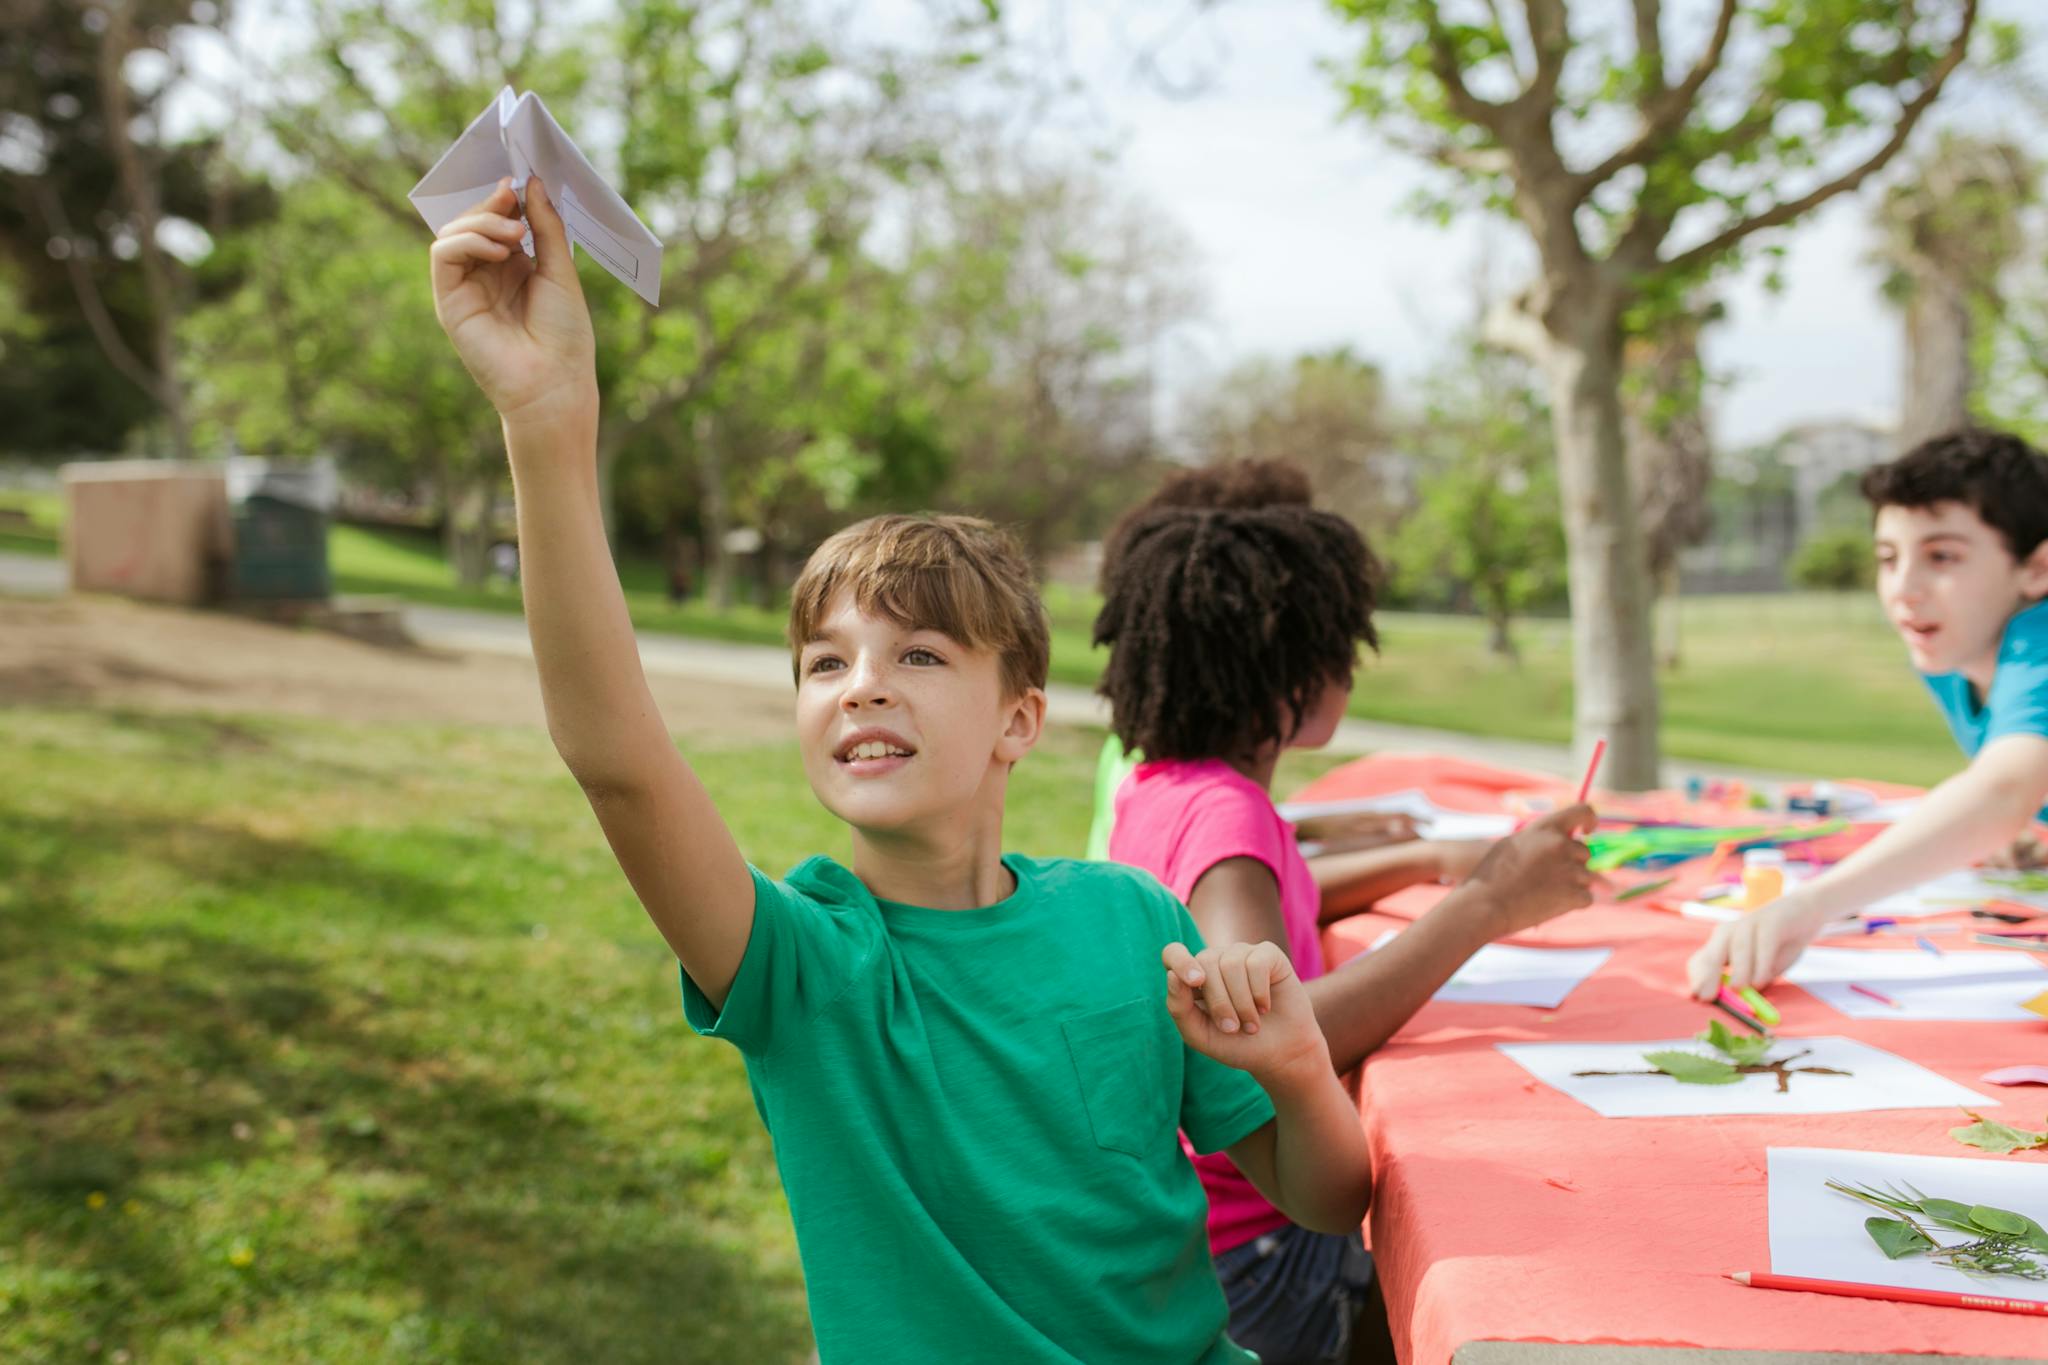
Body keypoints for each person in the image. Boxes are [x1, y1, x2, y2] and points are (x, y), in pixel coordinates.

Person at [427, 175, 1372, 1364]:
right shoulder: (801, 964)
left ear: (1018, 722)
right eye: (824, 664)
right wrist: (546, 423)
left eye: (917, 652)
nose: (860, 683)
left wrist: (1292, 1065)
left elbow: (1327, 1199)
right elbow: (618, 762)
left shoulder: (1134, 923)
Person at [1095, 493, 1601, 1365]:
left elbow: (1271, 894)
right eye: (1340, 648)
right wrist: (1483, 905)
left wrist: (1436, 859)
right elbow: (1266, 1024)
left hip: (1201, 1227)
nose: (1352, 668)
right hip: (1260, 1252)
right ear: (1286, 671)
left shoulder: (1168, 786)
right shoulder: (1228, 815)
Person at [1689, 426, 2048, 997]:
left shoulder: (2039, 635)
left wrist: (1810, 905)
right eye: (1888, 557)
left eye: (1942, 556)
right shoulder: (1952, 657)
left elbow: (2003, 790)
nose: (1904, 587)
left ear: (2036, 570)